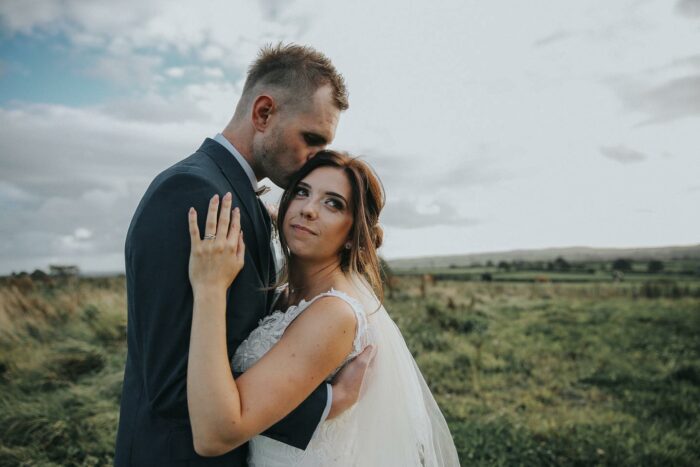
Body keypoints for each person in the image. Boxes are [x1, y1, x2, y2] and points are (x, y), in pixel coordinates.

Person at [115, 44, 373, 466]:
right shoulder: (191, 193)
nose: (315, 159)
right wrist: (323, 402)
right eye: (311, 139)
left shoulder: (243, 199)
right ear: (264, 113)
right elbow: (170, 384)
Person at [187, 151, 460, 466]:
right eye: (302, 192)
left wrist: (209, 288)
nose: (308, 210)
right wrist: (328, 402)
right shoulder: (287, 293)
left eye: (334, 203)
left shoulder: (333, 313)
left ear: (352, 233)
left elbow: (215, 434)